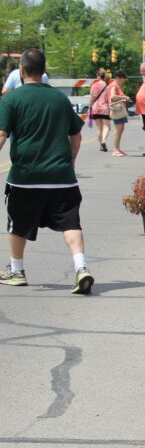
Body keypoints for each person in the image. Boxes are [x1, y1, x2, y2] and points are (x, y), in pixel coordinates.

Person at [0, 48, 93, 294]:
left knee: (17, 225)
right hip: (62, 178)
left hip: (25, 178)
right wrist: (70, 162)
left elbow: (1, 135)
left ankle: (17, 271)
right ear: (43, 71)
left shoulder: (11, 99)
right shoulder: (59, 99)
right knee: (71, 223)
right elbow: (77, 135)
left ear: (21, 70)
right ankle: (81, 267)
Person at [105, 71, 131, 157]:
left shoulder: (115, 85)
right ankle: (115, 150)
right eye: (123, 79)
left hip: (119, 109)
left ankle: (118, 149)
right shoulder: (114, 86)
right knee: (118, 130)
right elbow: (113, 97)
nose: (124, 81)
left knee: (120, 129)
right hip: (117, 110)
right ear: (118, 78)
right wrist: (124, 97)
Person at [88, 68, 110, 152]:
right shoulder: (107, 86)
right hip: (104, 108)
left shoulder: (94, 85)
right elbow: (109, 98)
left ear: (98, 76)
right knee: (106, 126)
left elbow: (92, 98)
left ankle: (101, 144)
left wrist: (90, 107)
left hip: (95, 108)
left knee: (98, 128)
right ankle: (104, 140)